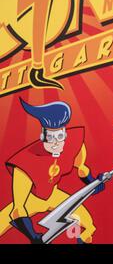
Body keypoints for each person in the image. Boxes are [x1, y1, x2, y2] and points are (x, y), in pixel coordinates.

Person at [0, 98, 105, 244]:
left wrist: (93, 183)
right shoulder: (24, 164)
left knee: (89, 225)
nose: (56, 143)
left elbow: (81, 168)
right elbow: (18, 209)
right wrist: (33, 236)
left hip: (54, 196)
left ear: (65, 134)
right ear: (43, 137)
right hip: (31, 200)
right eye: (51, 137)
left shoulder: (75, 145)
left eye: (60, 136)